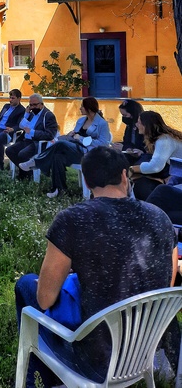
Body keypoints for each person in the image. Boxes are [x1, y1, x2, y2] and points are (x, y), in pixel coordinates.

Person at [15, 146, 178, 388]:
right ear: (124, 176)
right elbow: (167, 282)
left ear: (86, 182)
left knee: (26, 285)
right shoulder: (160, 217)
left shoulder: (72, 219)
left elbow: (45, 300)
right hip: (148, 350)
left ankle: (38, 377)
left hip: (95, 363)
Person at [19, 97, 111, 198]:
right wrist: (70, 135)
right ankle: (59, 189)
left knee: (60, 144)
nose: (80, 108)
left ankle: (36, 161)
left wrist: (81, 138)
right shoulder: (81, 120)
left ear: (89, 108)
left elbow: (103, 143)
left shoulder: (102, 123)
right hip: (74, 149)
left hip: (89, 154)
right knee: (57, 156)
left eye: (82, 106)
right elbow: (74, 137)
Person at [129, 110, 182, 200]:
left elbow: (155, 167)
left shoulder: (164, 140)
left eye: (139, 122)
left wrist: (133, 169)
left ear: (146, 125)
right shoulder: (163, 138)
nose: (137, 125)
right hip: (177, 173)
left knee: (143, 184)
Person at [5, 94, 58, 178]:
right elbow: (21, 126)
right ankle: (28, 173)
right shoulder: (31, 113)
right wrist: (26, 114)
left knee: (22, 154)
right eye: (31, 105)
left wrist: (33, 132)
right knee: (9, 150)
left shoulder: (48, 115)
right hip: (26, 140)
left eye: (35, 105)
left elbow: (50, 135)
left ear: (41, 104)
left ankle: (24, 175)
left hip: (37, 143)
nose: (33, 107)